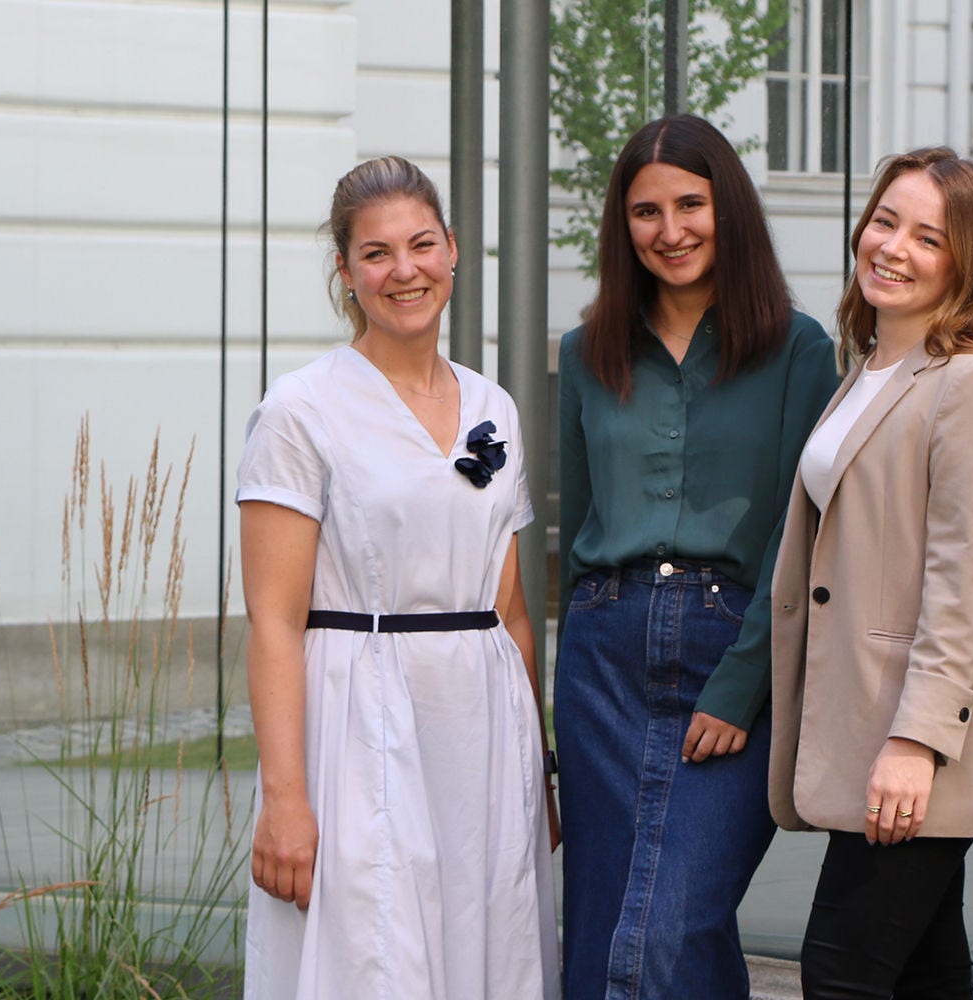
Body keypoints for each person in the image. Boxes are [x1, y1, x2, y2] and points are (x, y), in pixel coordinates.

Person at [236, 156, 559, 1000]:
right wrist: (285, 800)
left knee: (490, 938)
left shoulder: (497, 407)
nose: (403, 270)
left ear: (452, 251)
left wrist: (540, 768)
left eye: (421, 245)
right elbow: (272, 619)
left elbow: (513, 608)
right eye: (376, 254)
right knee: (372, 953)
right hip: (357, 713)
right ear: (345, 272)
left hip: (485, 730)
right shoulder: (300, 410)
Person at [555, 114, 841, 999]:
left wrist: (741, 684)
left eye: (690, 204)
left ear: (731, 210)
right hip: (603, 655)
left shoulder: (799, 349)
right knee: (606, 925)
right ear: (621, 226)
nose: (670, 231)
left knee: (672, 920)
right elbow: (573, 537)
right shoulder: (584, 353)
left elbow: (805, 539)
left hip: (732, 647)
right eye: (646, 212)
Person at [766, 147, 973, 999]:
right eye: (885, 221)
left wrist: (916, 740)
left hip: (915, 739)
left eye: (929, 237)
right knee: (929, 974)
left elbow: (972, 579)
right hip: (869, 725)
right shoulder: (869, 370)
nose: (892, 246)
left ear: (969, 263)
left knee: (840, 974)